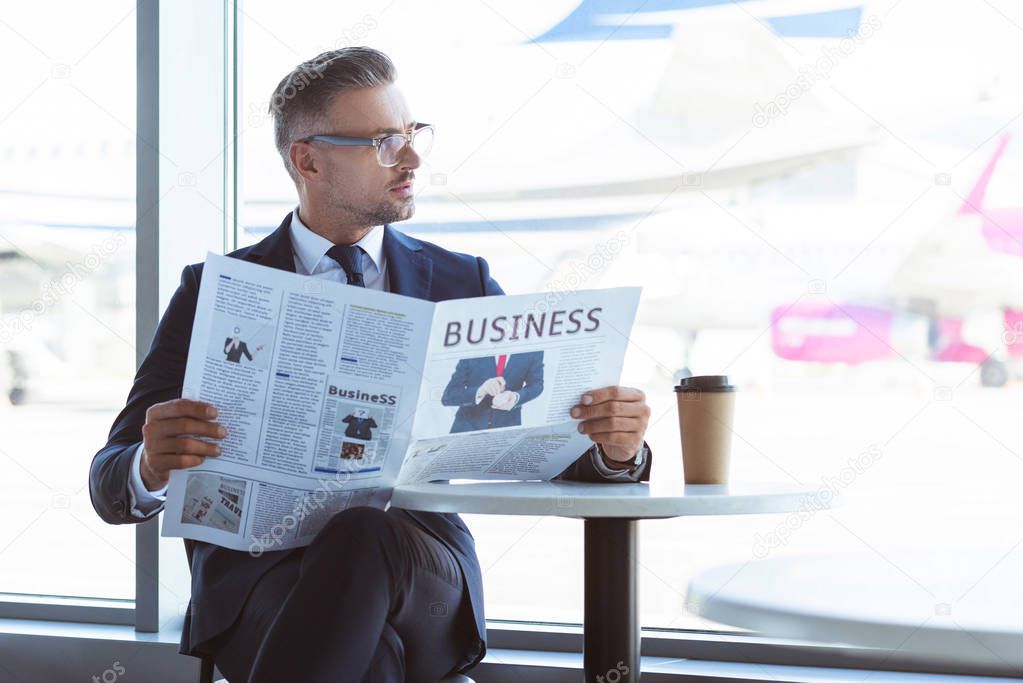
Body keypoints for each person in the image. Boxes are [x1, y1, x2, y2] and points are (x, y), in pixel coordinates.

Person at [88, 46, 652, 683]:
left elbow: (552, 447)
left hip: (420, 575)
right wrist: (151, 462)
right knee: (370, 661)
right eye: (385, 141)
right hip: (258, 584)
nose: (410, 158)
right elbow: (110, 487)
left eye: (412, 134)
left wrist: (615, 445)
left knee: (362, 534)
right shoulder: (216, 290)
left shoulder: (457, 281)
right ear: (310, 160)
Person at [441, 351, 543, 432]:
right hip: (466, 429)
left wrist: (516, 397)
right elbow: (448, 396)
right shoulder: (473, 347)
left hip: (507, 431)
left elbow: (536, 385)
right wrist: (481, 391)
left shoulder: (533, 349)